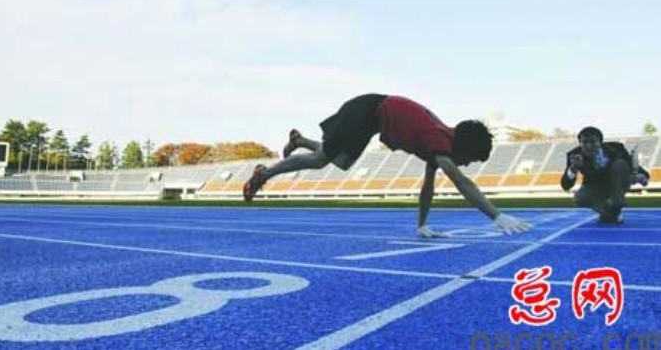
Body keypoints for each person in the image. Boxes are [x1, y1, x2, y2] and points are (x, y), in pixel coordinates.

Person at [243, 93, 532, 236]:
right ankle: (264, 173)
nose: (466, 165)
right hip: (367, 112)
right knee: (321, 161)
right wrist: (496, 216)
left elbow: (428, 187)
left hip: (372, 114)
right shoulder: (437, 140)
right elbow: (460, 181)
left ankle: (299, 140)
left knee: (338, 160)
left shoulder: (440, 142)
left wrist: (422, 226)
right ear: (464, 147)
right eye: (469, 159)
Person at [561, 126, 650, 224]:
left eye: (593, 142)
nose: (588, 146)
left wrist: (642, 176)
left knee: (620, 164)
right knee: (579, 198)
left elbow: (630, 165)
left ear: (600, 142)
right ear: (580, 143)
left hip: (617, 182)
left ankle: (617, 201)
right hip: (595, 186)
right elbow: (566, 185)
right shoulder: (574, 155)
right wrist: (573, 169)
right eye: (584, 142)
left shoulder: (617, 148)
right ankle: (610, 213)